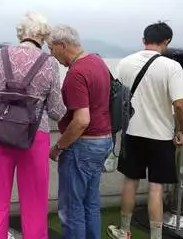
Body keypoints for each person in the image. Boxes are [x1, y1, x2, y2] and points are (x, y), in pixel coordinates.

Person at [0, 12, 66, 239]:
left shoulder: (0, 55)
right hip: (33, 137)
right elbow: (57, 110)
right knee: (35, 202)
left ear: (21, 33)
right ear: (43, 35)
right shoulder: (49, 63)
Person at [107, 22, 183, 239]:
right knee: (156, 187)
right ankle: (155, 236)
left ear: (144, 39)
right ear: (167, 42)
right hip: (161, 136)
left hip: (132, 133)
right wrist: (182, 131)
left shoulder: (124, 63)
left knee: (130, 182)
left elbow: (116, 97)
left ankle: (124, 230)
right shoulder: (171, 67)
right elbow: (180, 105)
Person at [47, 25, 112, 239]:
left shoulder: (76, 73)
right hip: (103, 141)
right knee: (90, 203)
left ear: (62, 45)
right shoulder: (98, 61)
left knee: (71, 208)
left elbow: (82, 120)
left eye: (51, 48)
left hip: (83, 145)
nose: (51, 54)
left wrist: (58, 146)